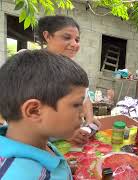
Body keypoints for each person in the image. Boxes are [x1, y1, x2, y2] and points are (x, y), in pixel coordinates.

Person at [0, 50, 89, 179]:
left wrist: (62, 169)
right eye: (76, 105)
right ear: (34, 111)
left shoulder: (38, 141)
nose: (82, 113)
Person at [37, 15, 99, 144]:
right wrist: (65, 133)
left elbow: (85, 97)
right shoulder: (31, 66)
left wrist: (89, 120)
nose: (74, 44)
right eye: (67, 38)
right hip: (42, 143)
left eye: (77, 39)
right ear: (47, 36)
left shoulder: (72, 68)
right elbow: (28, 114)